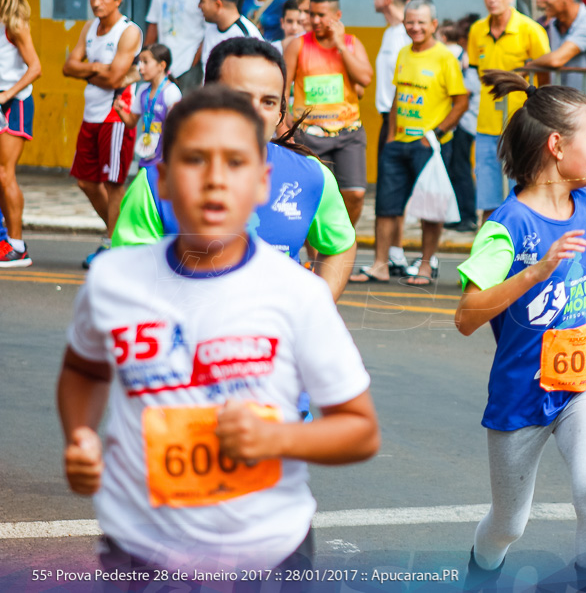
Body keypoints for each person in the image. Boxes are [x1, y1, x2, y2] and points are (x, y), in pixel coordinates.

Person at [59, 85, 379, 577]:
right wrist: (80, 434)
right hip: (139, 546)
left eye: (235, 162)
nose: (213, 180)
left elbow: (360, 431)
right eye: (194, 160)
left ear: (262, 182)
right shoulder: (112, 281)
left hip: (267, 548)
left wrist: (275, 440)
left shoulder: (300, 295)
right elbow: (82, 369)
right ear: (161, 180)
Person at [454, 70, 586, 590]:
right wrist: (533, 272)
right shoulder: (506, 225)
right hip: (522, 392)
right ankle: (480, 577)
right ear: (557, 145)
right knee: (509, 523)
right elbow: (466, 317)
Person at [113, 37, 358, 302]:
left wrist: (317, 308)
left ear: (279, 113)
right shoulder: (154, 185)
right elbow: (128, 280)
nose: (254, 112)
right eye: (240, 98)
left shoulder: (311, 176)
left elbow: (340, 246)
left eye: (268, 102)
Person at [350, 0, 467, 286]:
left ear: (434, 25)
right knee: (386, 207)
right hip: (397, 143)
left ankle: (426, 267)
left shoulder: (445, 57)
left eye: (421, 22)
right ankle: (380, 265)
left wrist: (435, 135)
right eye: (410, 22)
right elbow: (396, 99)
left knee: (431, 208)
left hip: (429, 146)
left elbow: (461, 102)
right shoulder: (403, 53)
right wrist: (389, 137)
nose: (415, 27)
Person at [62, 0, 143, 269]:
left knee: (113, 184)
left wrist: (88, 71)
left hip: (116, 114)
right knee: (85, 181)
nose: (96, 2)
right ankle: (118, 234)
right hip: (91, 112)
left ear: (118, 0)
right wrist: (97, 67)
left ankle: (115, 246)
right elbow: (67, 66)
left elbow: (114, 79)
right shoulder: (89, 27)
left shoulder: (129, 31)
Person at [285, 0, 374, 226]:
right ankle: (314, 261)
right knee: (314, 196)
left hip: (348, 133)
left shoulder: (352, 44)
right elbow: (282, 90)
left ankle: (343, 237)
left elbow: (365, 79)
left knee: (355, 194)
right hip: (310, 135)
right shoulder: (297, 45)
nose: (315, 21)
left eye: (321, 15)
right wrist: (286, 129)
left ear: (337, 15)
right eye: (311, 14)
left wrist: (340, 46)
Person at [467, 0, 550, 222]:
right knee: (488, 202)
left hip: (521, 127)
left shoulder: (530, 30)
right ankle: (488, 256)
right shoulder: (477, 30)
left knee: (525, 197)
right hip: (486, 127)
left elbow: (544, 77)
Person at [0, 0, 42, 268]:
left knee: (5, 174)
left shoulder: (15, 24)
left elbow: (36, 68)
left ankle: (17, 247)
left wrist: (6, 94)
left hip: (13, 105)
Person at [371, 0, 414, 271]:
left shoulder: (406, 35)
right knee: (393, 187)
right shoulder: (389, 32)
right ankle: (395, 253)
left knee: (392, 188)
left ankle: (384, 260)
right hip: (387, 116)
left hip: (399, 119)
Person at [144, 0, 204, 91]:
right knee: (161, 109)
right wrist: (145, 55)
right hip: (162, 62)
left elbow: (208, 31)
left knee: (186, 111)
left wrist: (194, 63)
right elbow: (153, 22)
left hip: (188, 65)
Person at [112, 44, 182, 168]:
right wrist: (120, 110)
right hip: (145, 158)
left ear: (162, 66)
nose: (140, 68)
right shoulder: (143, 90)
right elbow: (131, 122)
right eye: (140, 62)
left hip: (164, 161)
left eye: (145, 62)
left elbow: (177, 130)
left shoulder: (172, 92)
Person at [443, 14, 481, 233]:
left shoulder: (473, 59)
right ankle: (461, 215)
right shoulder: (466, 55)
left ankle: (468, 216)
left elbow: (465, 89)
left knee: (461, 169)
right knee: (458, 169)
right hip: (464, 121)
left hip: (467, 122)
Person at [191, 0, 262, 73]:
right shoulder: (211, 27)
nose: (199, 6)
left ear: (218, 4)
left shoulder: (246, 35)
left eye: (202, 1)